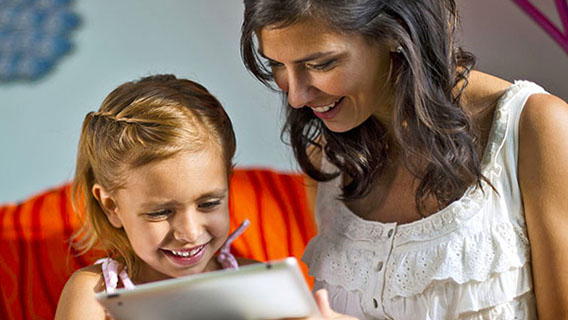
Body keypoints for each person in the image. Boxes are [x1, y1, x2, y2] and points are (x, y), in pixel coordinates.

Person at [240, 0, 568, 319]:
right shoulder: (327, 159)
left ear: (397, 32)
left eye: (321, 64)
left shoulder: (535, 128)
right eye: (277, 65)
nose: (296, 96)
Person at [54, 74, 253, 319]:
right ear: (111, 207)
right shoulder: (95, 296)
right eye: (161, 212)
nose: (190, 233)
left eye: (208, 204)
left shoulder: (255, 283)